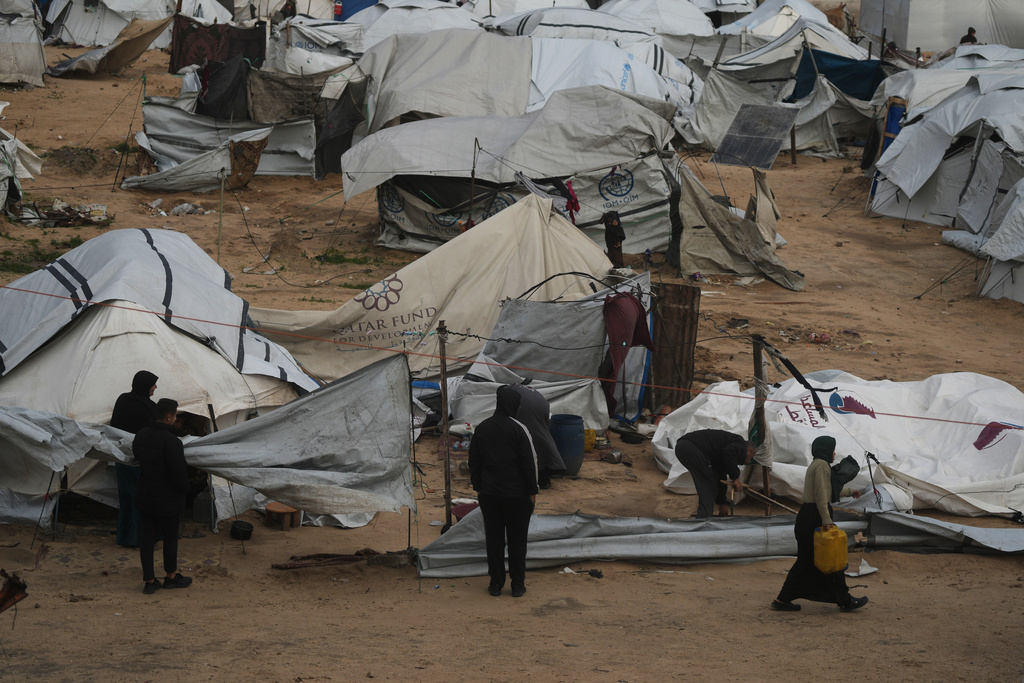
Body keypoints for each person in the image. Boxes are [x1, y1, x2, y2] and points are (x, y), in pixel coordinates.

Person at [772, 436, 868, 612]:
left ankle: (782, 600)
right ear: (825, 450)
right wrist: (827, 521)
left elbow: (825, 490)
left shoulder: (816, 465)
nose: (834, 453)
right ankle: (845, 601)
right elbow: (821, 496)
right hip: (815, 516)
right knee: (832, 558)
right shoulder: (823, 466)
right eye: (832, 450)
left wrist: (849, 492)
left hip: (807, 516)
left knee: (806, 562)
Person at [468, 385, 538, 598]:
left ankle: (496, 584)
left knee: (494, 540)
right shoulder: (519, 429)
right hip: (517, 497)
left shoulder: (482, 428)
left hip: (490, 495)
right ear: (515, 407)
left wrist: (479, 488)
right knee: (518, 541)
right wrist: (532, 491)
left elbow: (474, 462)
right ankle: (517, 585)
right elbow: (529, 463)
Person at [133, 398, 192, 595]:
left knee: (147, 539)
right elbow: (178, 474)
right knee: (170, 538)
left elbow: (136, 456)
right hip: (168, 499)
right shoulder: (172, 442)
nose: (176, 419)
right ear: (169, 417)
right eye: (175, 416)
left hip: (146, 495)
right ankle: (171, 576)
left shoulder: (141, 435)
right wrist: (186, 490)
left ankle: (150, 580)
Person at [110, 370, 159, 548]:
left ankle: (126, 538)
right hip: (140, 461)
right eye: (153, 384)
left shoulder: (123, 399)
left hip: (122, 457)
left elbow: (114, 425)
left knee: (128, 499)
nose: (155, 387)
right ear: (145, 386)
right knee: (143, 499)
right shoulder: (150, 408)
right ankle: (142, 538)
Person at [673, 429, 754, 518]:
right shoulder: (740, 445)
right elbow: (728, 453)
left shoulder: (722, 455)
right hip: (690, 448)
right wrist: (735, 477)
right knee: (708, 486)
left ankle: (704, 518)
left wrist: (721, 504)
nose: (748, 461)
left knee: (712, 480)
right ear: (749, 450)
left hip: (684, 447)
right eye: (750, 457)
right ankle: (703, 522)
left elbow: (720, 479)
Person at [505, 384, 564, 489]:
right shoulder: (517, 387)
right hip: (543, 405)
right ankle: (551, 467)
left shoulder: (507, 392)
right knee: (541, 435)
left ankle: (543, 473)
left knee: (527, 439)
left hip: (526, 405)